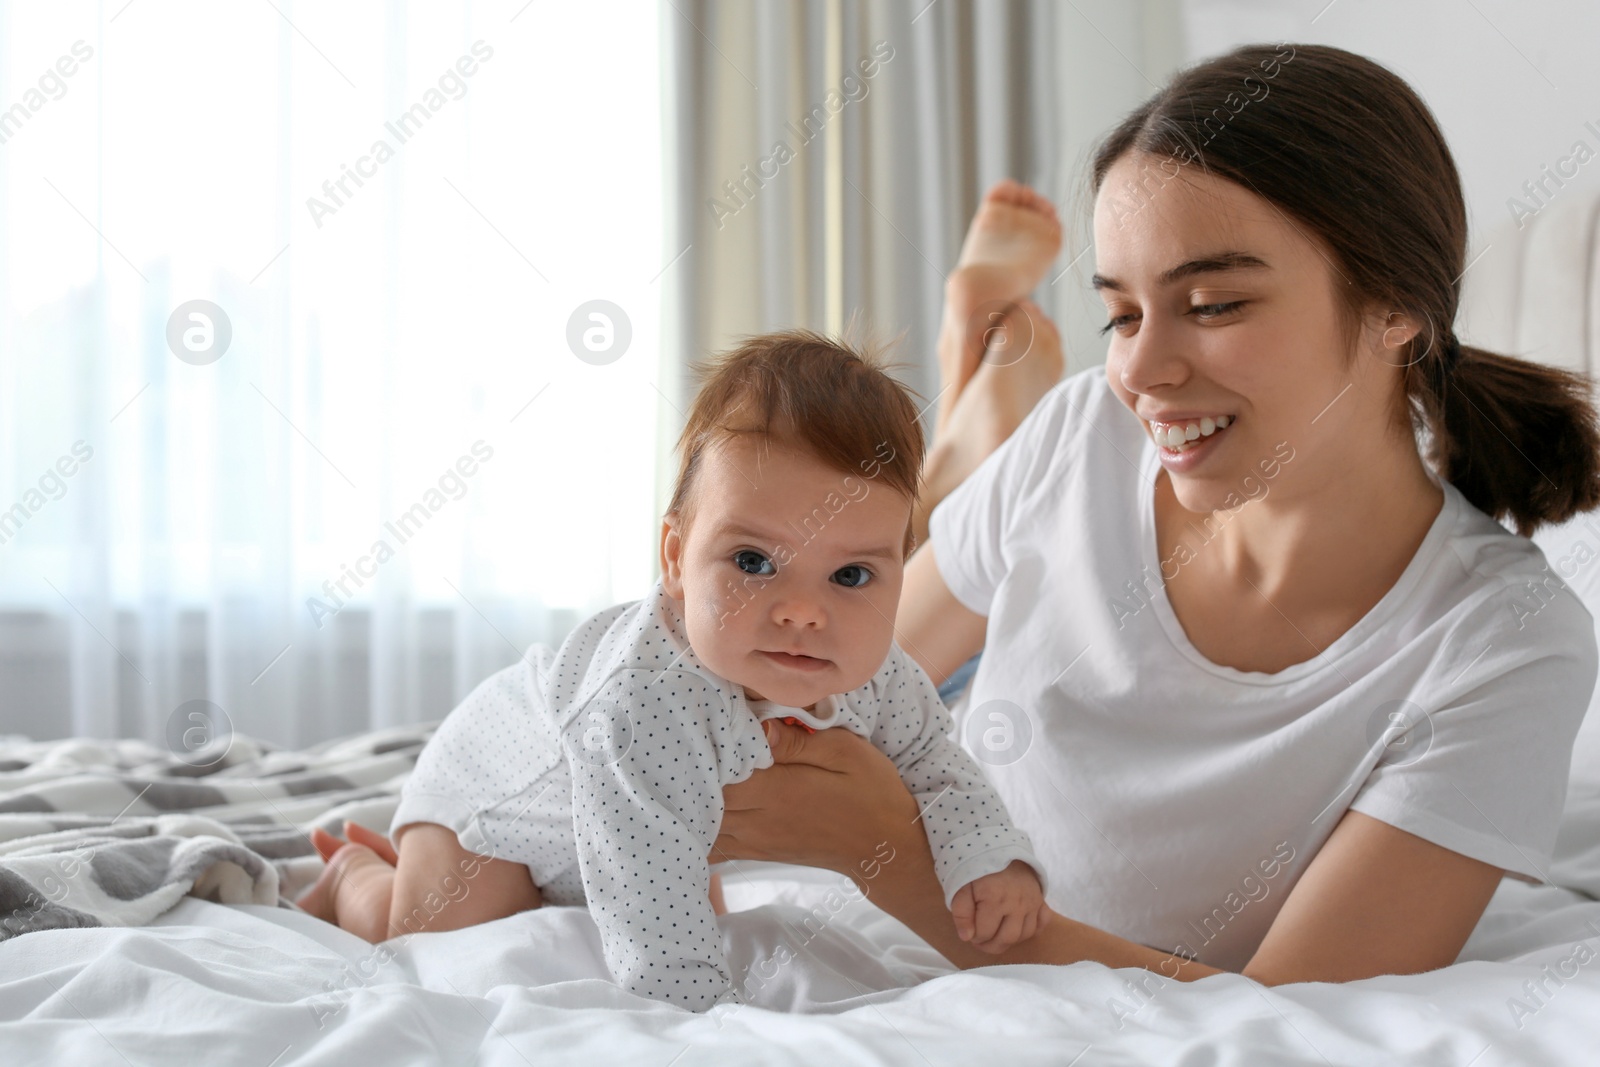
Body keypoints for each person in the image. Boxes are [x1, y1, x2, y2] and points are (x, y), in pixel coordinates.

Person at [713, 42, 1600, 986]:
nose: (1138, 372)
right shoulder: (1088, 431)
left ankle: (972, 417)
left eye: (1213, 304)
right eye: (1122, 315)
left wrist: (894, 859)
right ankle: (975, 419)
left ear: (1396, 308)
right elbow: (821, 683)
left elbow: (1292, 1017)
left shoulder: (1505, 643)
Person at [293, 330, 1048, 1012]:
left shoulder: (877, 675)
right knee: (440, 935)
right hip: (495, 811)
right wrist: (704, 1025)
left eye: (851, 576)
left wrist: (988, 856)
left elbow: (934, 763)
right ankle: (357, 876)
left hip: (657, 824)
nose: (804, 612)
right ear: (675, 560)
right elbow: (658, 943)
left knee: (676, 890)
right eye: (754, 562)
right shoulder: (643, 700)